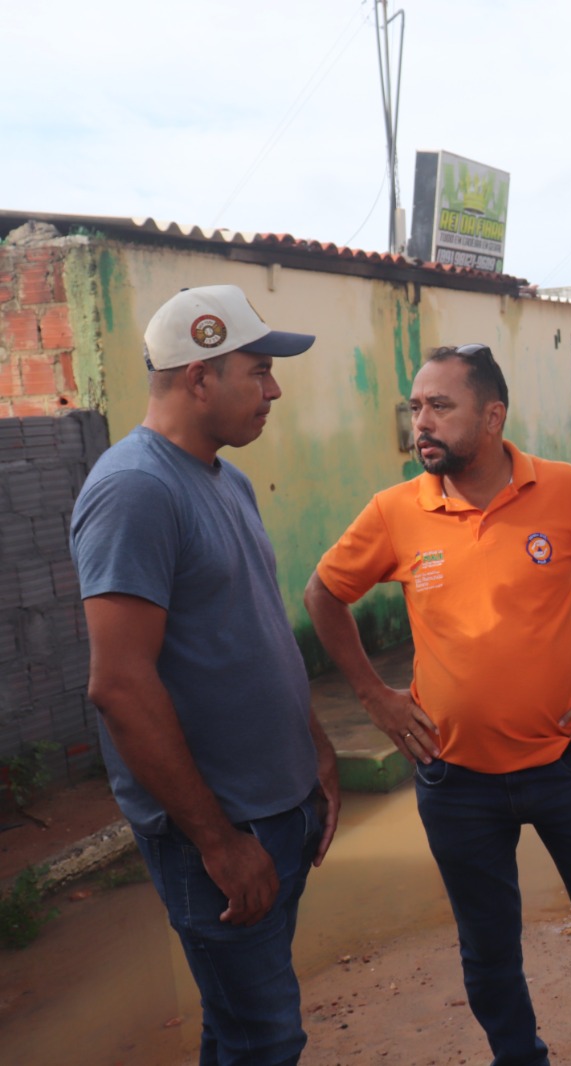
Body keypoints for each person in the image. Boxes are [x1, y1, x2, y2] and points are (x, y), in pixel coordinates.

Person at [304, 344, 571, 1066]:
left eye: (440, 406)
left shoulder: (563, 491)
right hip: (456, 781)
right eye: (415, 407)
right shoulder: (396, 511)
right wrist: (372, 695)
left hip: (568, 766)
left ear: (492, 415)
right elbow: (324, 593)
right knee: (488, 950)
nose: (422, 422)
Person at [70, 284, 337, 1065]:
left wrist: (315, 751)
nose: (274, 390)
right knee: (267, 1040)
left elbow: (256, 634)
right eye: (258, 371)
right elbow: (119, 686)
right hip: (218, 832)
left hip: (275, 811)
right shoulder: (134, 491)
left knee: (238, 1030)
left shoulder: (226, 479)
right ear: (198, 378)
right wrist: (218, 844)